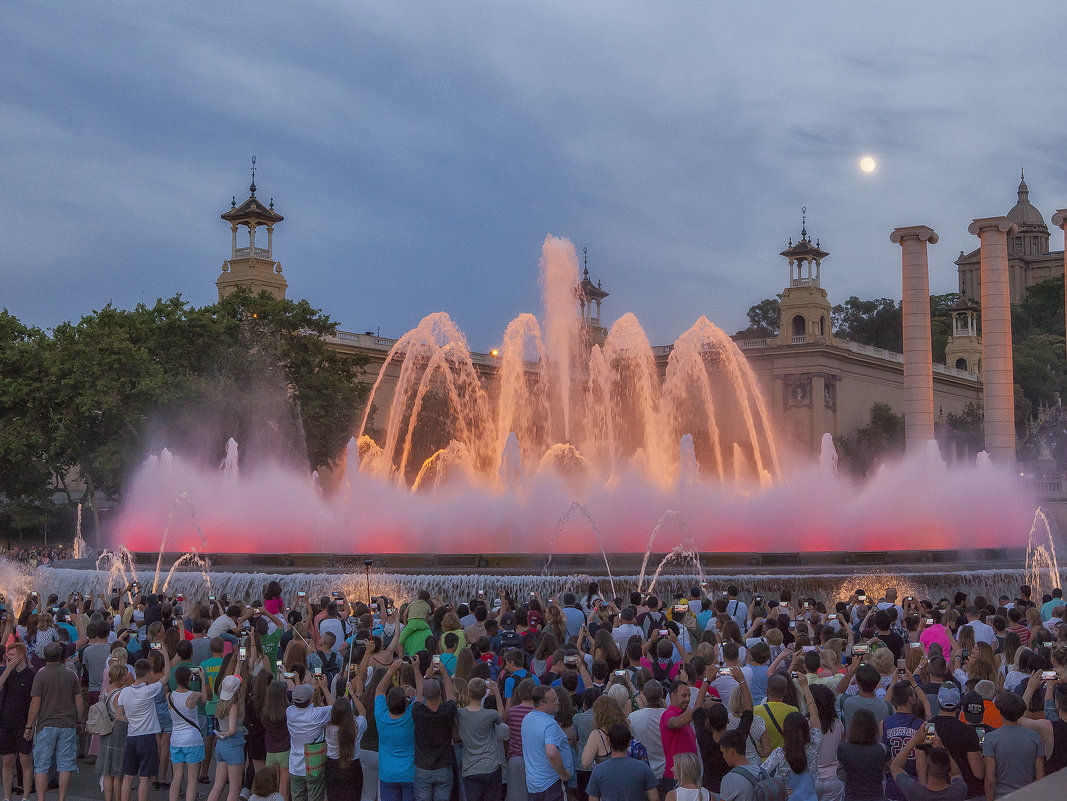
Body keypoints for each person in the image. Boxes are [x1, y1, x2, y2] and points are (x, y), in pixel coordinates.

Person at [25, 641, 84, 801]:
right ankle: (62, 798)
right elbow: (78, 701)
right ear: (61, 656)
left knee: (42, 766)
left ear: (45, 656)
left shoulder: (41, 675)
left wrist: (29, 725)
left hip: (46, 724)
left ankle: (41, 798)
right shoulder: (70, 674)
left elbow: (35, 703)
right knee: (65, 765)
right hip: (67, 724)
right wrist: (79, 721)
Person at [760, 673, 822, 801]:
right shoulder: (815, 743)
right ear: (806, 729)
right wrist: (805, 687)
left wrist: (779, 786)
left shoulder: (779, 753)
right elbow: (814, 714)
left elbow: (761, 774)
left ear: (785, 732)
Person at [982, 692, 1044, 799]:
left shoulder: (991, 738)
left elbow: (990, 779)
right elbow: (1040, 776)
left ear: (1000, 711)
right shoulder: (1034, 737)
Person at [927, 684, 985, 798]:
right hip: (966, 793)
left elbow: (921, 765)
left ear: (938, 702)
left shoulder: (929, 727)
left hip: (936, 792)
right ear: (959, 703)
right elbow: (979, 772)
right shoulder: (968, 731)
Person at [456, 677, 509, 801]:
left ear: (468, 693)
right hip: (491, 766)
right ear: (484, 693)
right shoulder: (490, 714)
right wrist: (496, 691)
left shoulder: (460, 713)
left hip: (470, 768)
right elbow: (502, 715)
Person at [412, 665, 457, 801]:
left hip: (423, 768)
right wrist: (445, 673)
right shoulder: (447, 711)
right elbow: (451, 697)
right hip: (443, 768)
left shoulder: (418, 712)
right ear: (439, 694)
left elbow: (419, 695)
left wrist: (426, 677)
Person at [521, 686, 572, 801]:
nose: (558, 702)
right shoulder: (550, 724)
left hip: (533, 784)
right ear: (542, 703)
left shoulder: (527, 719)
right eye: (554, 700)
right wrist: (563, 773)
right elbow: (551, 753)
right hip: (552, 783)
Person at [288, 674, 334, 801]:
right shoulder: (317, 714)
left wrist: (312, 690)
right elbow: (335, 708)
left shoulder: (290, 712)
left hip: (295, 767)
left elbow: (299, 699)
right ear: (310, 700)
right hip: (314, 766)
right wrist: (324, 688)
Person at [0, 641, 37, 801]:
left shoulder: (31, 674)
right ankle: (7, 797)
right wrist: (8, 668)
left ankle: (26, 796)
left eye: (12, 655)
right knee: (7, 761)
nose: (9, 657)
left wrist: (31, 725)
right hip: (6, 723)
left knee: (25, 760)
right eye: (8, 655)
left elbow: (35, 700)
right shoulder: (6, 673)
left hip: (23, 722)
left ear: (21, 656)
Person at [375, 660, 415, 801]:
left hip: (388, 774)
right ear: (406, 703)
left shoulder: (381, 716)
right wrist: (416, 669)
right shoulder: (411, 715)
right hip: (409, 774)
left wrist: (391, 670)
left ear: (387, 702)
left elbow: (379, 690)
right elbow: (421, 695)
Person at [888, 729, 966, 801]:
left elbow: (895, 766)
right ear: (948, 769)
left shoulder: (916, 792)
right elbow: (956, 774)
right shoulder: (958, 791)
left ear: (927, 769)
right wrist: (940, 746)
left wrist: (914, 741)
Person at [585, 723, 657, 801]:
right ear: (629, 742)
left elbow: (593, 799)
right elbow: (654, 798)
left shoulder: (598, 770)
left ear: (609, 741)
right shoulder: (643, 767)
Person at [168, 665, 208, 801]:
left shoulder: (169, 696)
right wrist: (202, 679)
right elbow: (205, 699)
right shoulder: (193, 696)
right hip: (193, 740)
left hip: (176, 740)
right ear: (190, 678)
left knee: (176, 778)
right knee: (192, 780)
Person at [660, 679, 708, 792]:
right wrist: (706, 683)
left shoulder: (683, 716)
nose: (687, 699)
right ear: (672, 695)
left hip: (688, 778)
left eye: (689, 696)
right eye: (683, 695)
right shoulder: (668, 714)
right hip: (676, 778)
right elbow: (677, 722)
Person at [324, 689, 368, 801]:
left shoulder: (328, 727)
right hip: (352, 767)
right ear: (349, 714)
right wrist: (353, 694)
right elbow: (362, 712)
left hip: (332, 767)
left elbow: (333, 709)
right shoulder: (356, 727)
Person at [836, 708, 889, 801]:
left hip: (852, 797)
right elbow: (891, 767)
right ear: (873, 727)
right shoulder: (882, 749)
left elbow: (841, 773)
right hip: (877, 796)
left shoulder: (843, 749)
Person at [629, 680, 668, 792]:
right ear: (661, 695)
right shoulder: (669, 716)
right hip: (664, 770)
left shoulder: (633, 717)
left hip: (643, 770)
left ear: (644, 695)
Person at [754, 674, 800, 752]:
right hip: (785, 758)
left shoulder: (756, 711)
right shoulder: (793, 710)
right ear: (785, 691)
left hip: (764, 760)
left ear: (767, 690)